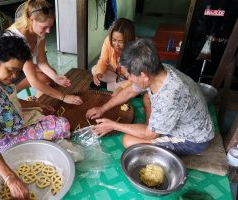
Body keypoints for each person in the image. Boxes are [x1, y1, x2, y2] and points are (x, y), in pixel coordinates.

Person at [0, 36, 72, 199]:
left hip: (9, 123)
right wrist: (10, 178)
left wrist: (35, 105)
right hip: (0, 142)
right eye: (10, 69)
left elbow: (7, 100)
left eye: (17, 71)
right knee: (62, 125)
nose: (14, 76)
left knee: (45, 111)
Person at [86, 38, 215, 156]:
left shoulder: (169, 96)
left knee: (128, 140)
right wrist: (103, 108)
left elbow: (150, 134)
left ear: (144, 75)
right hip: (183, 118)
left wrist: (113, 125)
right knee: (147, 97)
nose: (128, 79)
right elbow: (130, 91)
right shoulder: (158, 70)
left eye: (129, 75)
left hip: (193, 139)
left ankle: (153, 128)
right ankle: (153, 125)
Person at [7, 0, 82, 105]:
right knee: (43, 79)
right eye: (44, 27)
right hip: (6, 76)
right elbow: (33, 80)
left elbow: (41, 62)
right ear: (31, 19)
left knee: (50, 76)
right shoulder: (19, 39)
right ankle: (31, 105)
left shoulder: (39, 32)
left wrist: (55, 77)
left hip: (21, 69)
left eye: (50, 26)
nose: (48, 31)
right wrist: (63, 97)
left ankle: (38, 103)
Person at [91, 18, 135, 94]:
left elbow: (136, 78)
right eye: (114, 40)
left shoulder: (136, 48)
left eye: (121, 42)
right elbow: (103, 61)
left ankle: (107, 86)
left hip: (131, 78)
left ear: (129, 40)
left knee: (138, 86)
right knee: (95, 69)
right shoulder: (108, 41)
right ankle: (118, 85)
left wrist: (122, 87)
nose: (116, 45)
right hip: (116, 75)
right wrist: (98, 73)